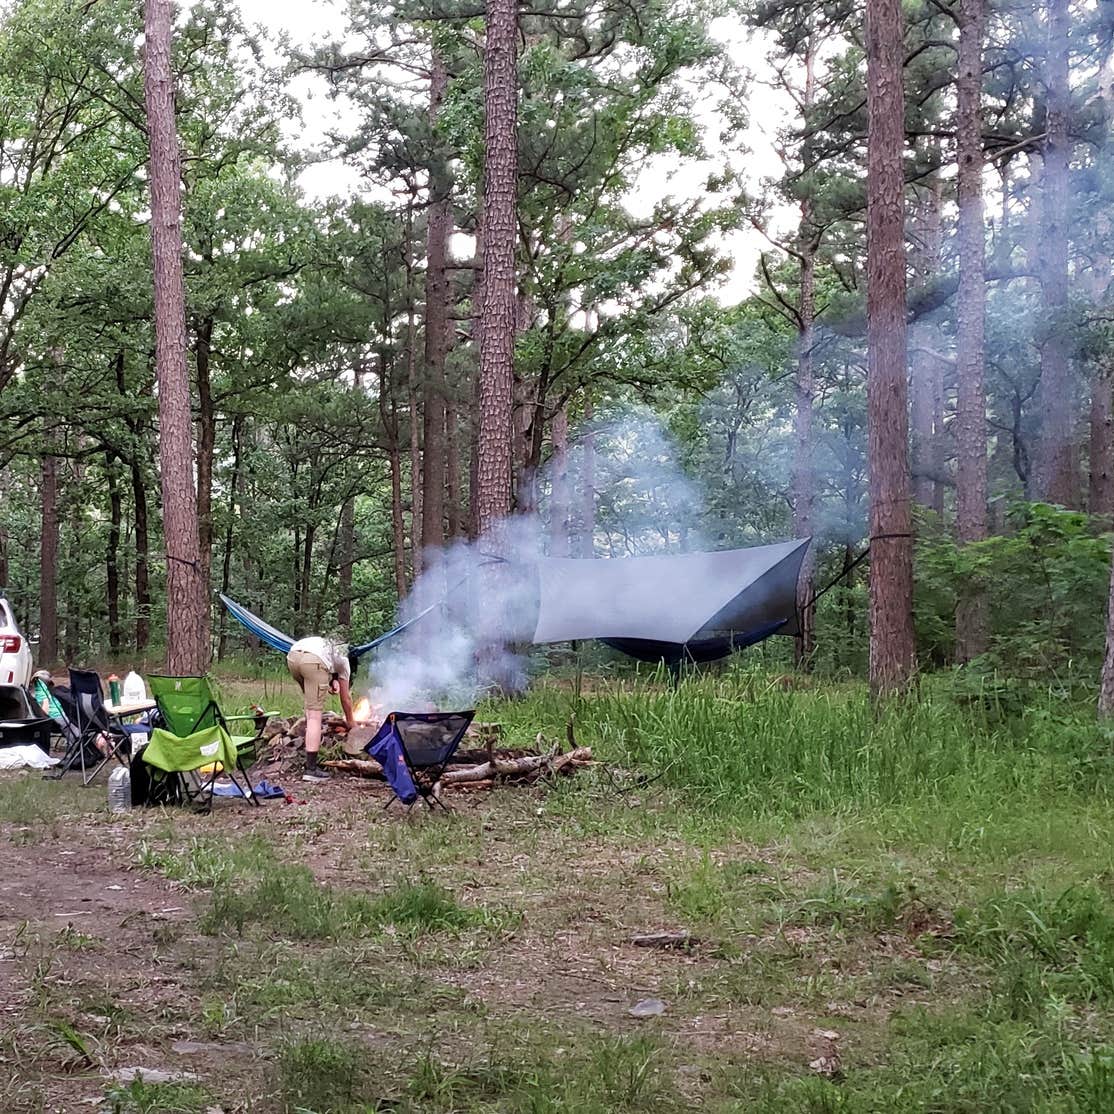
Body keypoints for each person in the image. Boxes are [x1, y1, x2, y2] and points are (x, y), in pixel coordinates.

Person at [286, 636, 357, 782]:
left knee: (310, 706)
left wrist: (330, 681)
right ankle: (311, 769)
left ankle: (306, 738)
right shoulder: (344, 661)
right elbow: (345, 699)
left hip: (293, 656)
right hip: (314, 662)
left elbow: (327, 669)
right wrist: (351, 723)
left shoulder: (328, 646)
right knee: (314, 716)